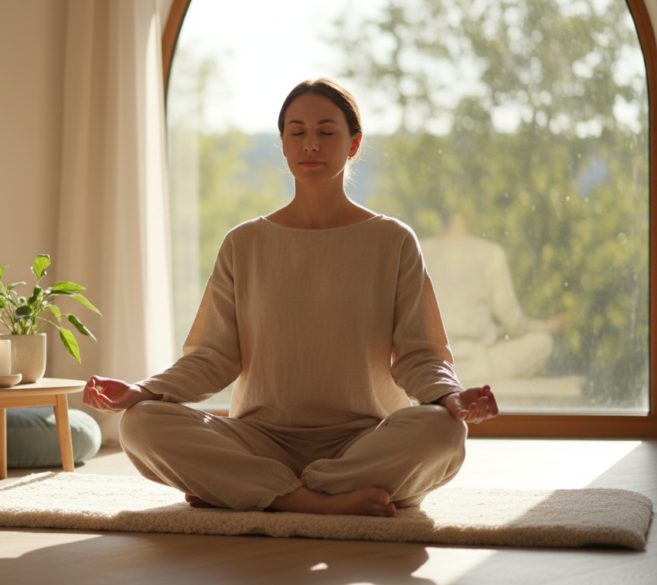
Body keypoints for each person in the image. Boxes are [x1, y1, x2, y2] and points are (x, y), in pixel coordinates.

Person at [83, 78, 498, 517]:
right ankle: (312, 499)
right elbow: (213, 357)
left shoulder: (392, 241)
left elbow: (420, 354)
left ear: (354, 143)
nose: (311, 144)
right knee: (142, 424)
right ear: (282, 144)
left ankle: (256, 492)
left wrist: (449, 397)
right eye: (297, 132)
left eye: (326, 132)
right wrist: (143, 391)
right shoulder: (244, 243)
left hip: (363, 441)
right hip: (259, 440)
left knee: (444, 433)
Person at [420, 215, 566, 386]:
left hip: (427, 367)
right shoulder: (490, 253)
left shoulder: (419, 249)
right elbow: (513, 322)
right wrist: (544, 327)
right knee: (543, 342)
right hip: (478, 368)